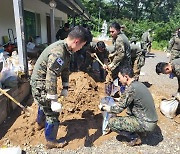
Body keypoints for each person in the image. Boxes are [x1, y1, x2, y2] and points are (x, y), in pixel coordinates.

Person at [30, 26, 89, 149]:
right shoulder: (59, 52)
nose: (80, 48)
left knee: (43, 105)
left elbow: (65, 69)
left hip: (43, 82)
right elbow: (51, 76)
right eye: (81, 45)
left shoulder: (67, 50)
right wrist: (53, 99)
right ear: (76, 41)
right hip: (40, 84)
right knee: (52, 113)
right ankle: (51, 141)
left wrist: (65, 86)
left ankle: (40, 123)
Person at [99, 66, 158, 146]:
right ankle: (142, 132)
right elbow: (128, 99)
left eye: (120, 78)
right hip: (151, 120)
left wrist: (104, 107)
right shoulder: (138, 84)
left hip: (146, 123)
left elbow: (118, 109)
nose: (119, 80)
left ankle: (134, 137)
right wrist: (117, 99)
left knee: (112, 123)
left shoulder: (131, 89)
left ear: (126, 77)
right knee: (130, 111)